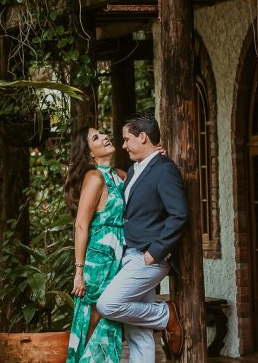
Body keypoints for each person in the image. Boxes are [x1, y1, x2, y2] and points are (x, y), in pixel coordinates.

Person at [96, 112, 187, 362]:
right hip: (129, 254)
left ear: (143, 137)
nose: (123, 146)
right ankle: (159, 318)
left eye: (127, 139)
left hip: (149, 258)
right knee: (139, 333)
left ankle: (165, 315)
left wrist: (155, 252)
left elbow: (178, 215)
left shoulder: (165, 170)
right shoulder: (135, 169)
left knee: (108, 305)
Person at [65, 126, 127, 362]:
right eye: (96, 137)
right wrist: (78, 271)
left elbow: (144, 177)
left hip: (118, 256)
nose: (104, 136)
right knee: (94, 317)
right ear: (89, 153)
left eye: (102, 133)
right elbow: (81, 225)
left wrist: (156, 154)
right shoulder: (94, 177)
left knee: (109, 319)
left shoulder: (116, 174)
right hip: (99, 259)